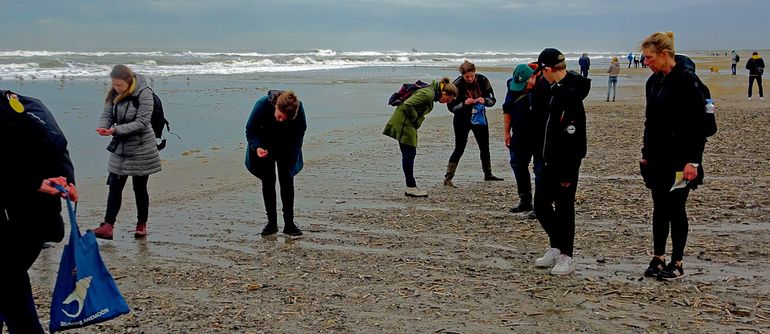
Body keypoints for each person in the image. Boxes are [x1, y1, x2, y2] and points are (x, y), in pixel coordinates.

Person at [1, 89, 78, 333]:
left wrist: (34, 183)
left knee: (11, 291)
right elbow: (58, 144)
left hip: (18, 218)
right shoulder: (22, 103)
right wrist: (68, 180)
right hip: (40, 219)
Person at [639, 32, 709, 279]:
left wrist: (693, 161)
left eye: (649, 58)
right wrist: (646, 154)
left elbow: (699, 127)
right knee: (659, 207)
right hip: (657, 159)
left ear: (664, 54)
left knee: (676, 208)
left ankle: (677, 262)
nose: (645, 62)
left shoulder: (687, 82)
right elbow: (651, 122)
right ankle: (658, 257)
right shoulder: (654, 82)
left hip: (682, 162)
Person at [531, 48, 590, 275]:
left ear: (547, 69)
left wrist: (568, 166)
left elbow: (573, 132)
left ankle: (567, 255)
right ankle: (556, 246)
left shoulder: (571, 94)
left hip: (566, 162)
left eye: (542, 71)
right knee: (541, 205)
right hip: (548, 159)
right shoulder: (551, 89)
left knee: (565, 207)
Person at [92, 64, 161, 240]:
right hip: (120, 147)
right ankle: (108, 226)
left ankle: (141, 225)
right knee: (114, 186)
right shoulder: (113, 93)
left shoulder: (144, 93)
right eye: (114, 85)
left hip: (142, 147)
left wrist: (116, 130)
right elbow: (107, 113)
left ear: (129, 81)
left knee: (139, 187)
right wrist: (103, 127)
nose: (116, 88)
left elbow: (143, 122)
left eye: (119, 85)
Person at [245, 90, 307, 236]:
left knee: (287, 183)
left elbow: (300, 131)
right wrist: (257, 147)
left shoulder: (299, 108)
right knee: (268, 183)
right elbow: (250, 130)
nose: (281, 121)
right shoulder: (261, 105)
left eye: (285, 120)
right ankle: (271, 224)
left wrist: (294, 154)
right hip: (264, 147)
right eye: (279, 117)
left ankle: (289, 224)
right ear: (276, 107)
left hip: (286, 146)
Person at [384, 78, 458, 197]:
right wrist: (414, 119)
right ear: (444, 93)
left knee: (409, 154)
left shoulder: (430, 93)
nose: (446, 102)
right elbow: (408, 104)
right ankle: (411, 187)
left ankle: (411, 186)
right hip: (404, 123)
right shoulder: (428, 93)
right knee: (409, 154)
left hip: (406, 123)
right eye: (448, 99)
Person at [443, 61, 503, 187]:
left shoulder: (483, 80)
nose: (470, 79)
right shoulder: (457, 84)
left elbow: (492, 100)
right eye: (467, 77)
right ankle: (448, 178)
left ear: (475, 73)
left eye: (472, 76)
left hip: (479, 117)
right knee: (459, 147)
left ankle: (488, 174)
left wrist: (485, 100)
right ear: (462, 75)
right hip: (461, 119)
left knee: (484, 146)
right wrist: (464, 104)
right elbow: (451, 107)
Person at [502, 63, 546, 215]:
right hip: (520, 134)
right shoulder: (512, 86)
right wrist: (507, 132)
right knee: (517, 164)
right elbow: (507, 109)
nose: (523, 88)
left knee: (540, 169)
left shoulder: (546, 86)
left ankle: (541, 205)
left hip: (542, 135)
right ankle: (525, 200)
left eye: (525, 84)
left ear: (533, 76)